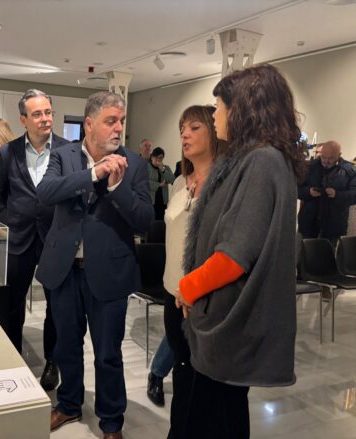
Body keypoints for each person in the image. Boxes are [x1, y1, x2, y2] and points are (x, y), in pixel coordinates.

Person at [175, 64, 305, 438]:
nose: (215, 115)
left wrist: (188, 287)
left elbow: (234, 256)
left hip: (229, 325)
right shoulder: (254, 159)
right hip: (223, 318)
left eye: (219, 107)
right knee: (225, 415)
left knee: (213, 420)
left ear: (243, 109)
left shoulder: (262, 161)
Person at [36, 91, 154, 439]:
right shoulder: (63, 155)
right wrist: (93, 174)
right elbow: (46, 192)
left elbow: (145, 220)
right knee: (66, 346)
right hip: (65, 271)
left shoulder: (135, 164)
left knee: (108, 354)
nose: (118, 128)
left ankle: (111, 421)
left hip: (109, 274)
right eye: (110, 121)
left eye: (122, 121)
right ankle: (69, 404)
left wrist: (117, 189)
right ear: (89, 124)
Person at [147, 106, 221, 433]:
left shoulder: (226, 185)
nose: (184, 135)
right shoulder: (179, 182)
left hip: (204, 295)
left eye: (194, 127)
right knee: (181, 367)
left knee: (202, 378)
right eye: (182, 129)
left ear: (215, 133)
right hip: (172, 290)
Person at [0, 89, 68, 391]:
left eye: (48, 112)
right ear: (23, 119)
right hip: (19, 240)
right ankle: (12, 357)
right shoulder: (7, 153)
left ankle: (52, 361)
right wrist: (12, 222)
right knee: (13, 305)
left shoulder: (67, 150)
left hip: (55, 240)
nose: (45, 118)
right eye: (37, 114)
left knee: (56, 306)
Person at [298, 140, 356, 245]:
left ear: (339, 155)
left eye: (331, 158)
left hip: (334, 227)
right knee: (303, 254)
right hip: (308, 224)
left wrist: (337, 195)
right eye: (323, 157)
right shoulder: (310, 167)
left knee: (328, 255)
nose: (326, 161)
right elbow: (296, 189)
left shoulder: (349, 171)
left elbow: (354, 195)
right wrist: (308, 192)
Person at [148, 147, 175, 220]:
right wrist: (159, 185)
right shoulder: (147, 167)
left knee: (161, 221)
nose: (159, 160)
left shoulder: (166, 168)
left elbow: (172, 180)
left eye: (161, 158)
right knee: (151, 221)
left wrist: (163, 170)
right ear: (152, 157)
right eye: (157, 158)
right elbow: (145, 182)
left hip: (163, 200)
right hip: (151, 201)